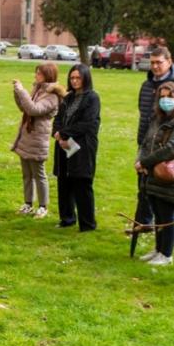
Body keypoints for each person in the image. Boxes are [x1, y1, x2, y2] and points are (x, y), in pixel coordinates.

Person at [135, 47, 174, 231]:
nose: (155, 66)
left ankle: (167, 233)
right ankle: (145, 224)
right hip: (146, 142)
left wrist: (172, 140)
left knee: (166, 196)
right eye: (152, 62)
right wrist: (142, 147)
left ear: (169, 62)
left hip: (167, 148)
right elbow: (144, 115)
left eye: (159, 62)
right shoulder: (147, 85)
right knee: (144, 189)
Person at [135, 81, 174, 266]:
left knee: (168, 215)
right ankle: (158, 249)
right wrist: (141, 161)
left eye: (170, 96)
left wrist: (146, 162)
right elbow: (146, 141)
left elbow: (173, 147)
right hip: (152, 172)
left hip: (170, 173)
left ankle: (167, 254)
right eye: (162, 97)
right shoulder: (157, 118)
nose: (165, 100)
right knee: (157, 212)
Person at [11, 62, 63, 219]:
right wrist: (17, 93)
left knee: (39, 174)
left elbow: (34, 110)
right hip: (27, 137)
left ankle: (43, 206)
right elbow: (24, 108)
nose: (36, 76)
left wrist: (22, 91)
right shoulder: (38, 88)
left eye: (39, 73)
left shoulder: (53, 94)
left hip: (38, 139)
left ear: (48, 75)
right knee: (26, 173)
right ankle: (28, 203)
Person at [52, 64, 101, 232]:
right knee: (64, 181)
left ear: (85, 78)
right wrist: (57, 134)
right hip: (63, 145)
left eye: (78, 78)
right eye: (72, 78)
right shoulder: (68, 98)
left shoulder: (92, 98)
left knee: (81, 182)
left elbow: (87, 123)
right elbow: (58, 118)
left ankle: (87, 223)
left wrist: (65, 134)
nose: (74, 81)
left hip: (82, 146)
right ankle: (67, 218)